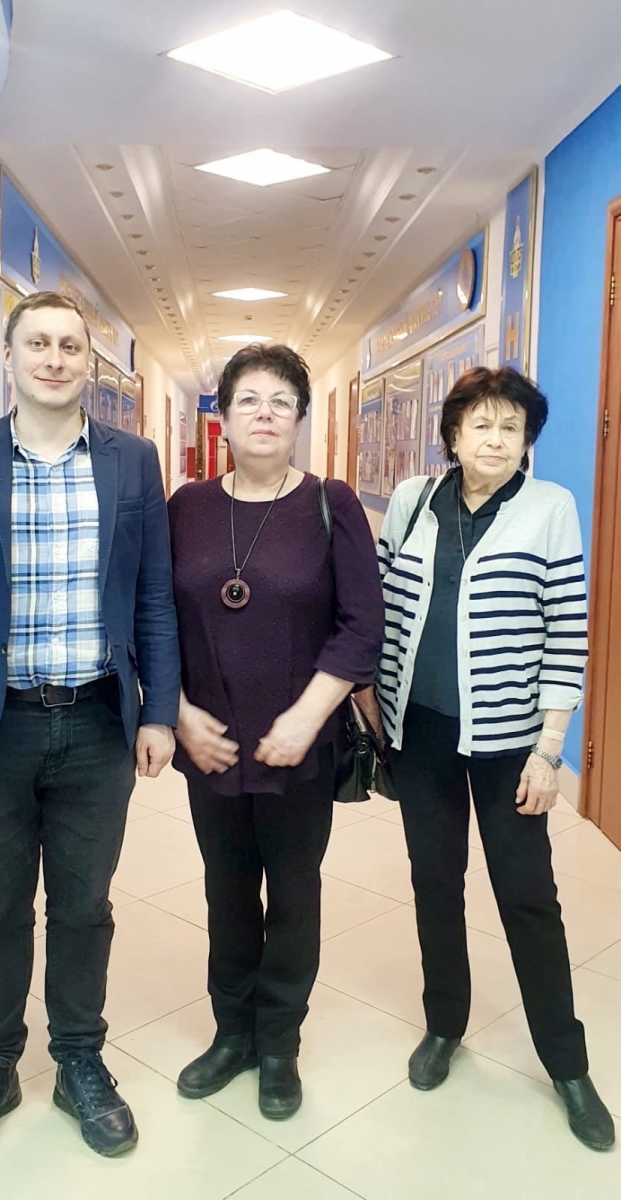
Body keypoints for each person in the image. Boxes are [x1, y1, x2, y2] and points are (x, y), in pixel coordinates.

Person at [0, 291, 180, 1166]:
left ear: (89, 362)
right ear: (10, 355)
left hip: (97, 722)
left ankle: (79, 1061)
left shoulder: (133, 460)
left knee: (84, 906)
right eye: (37, 344)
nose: (54, 359)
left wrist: (159, 711)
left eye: (69, 345)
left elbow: (154, 598)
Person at [361, 366, 614, 1151]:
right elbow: (376, 603)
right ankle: (445, 1025)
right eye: (481, 425)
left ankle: (566, 1065)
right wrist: (368, 708)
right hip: (419, 735)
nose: (496, 440)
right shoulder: (413, 500)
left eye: (511, 427)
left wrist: (549, 749)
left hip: (510, 746)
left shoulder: (549, 508)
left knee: (527, 896)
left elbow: (565, 630)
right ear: (452, 434)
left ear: (526, 439)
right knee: (434, 884)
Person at [168, 344, 384, 1120]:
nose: (263, 414)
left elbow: (362, 626)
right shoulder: (185, 507)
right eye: (248, 400)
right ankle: (232, 1033)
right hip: (209, 745)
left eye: (280, 402)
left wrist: (305, 716)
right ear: (222, 418)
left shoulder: (331, 503)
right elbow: (153, 617)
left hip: (299, 746)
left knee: (293, 894)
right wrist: (177, 713)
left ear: (298, 419)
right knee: (226, 892)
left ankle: (277, 1045)